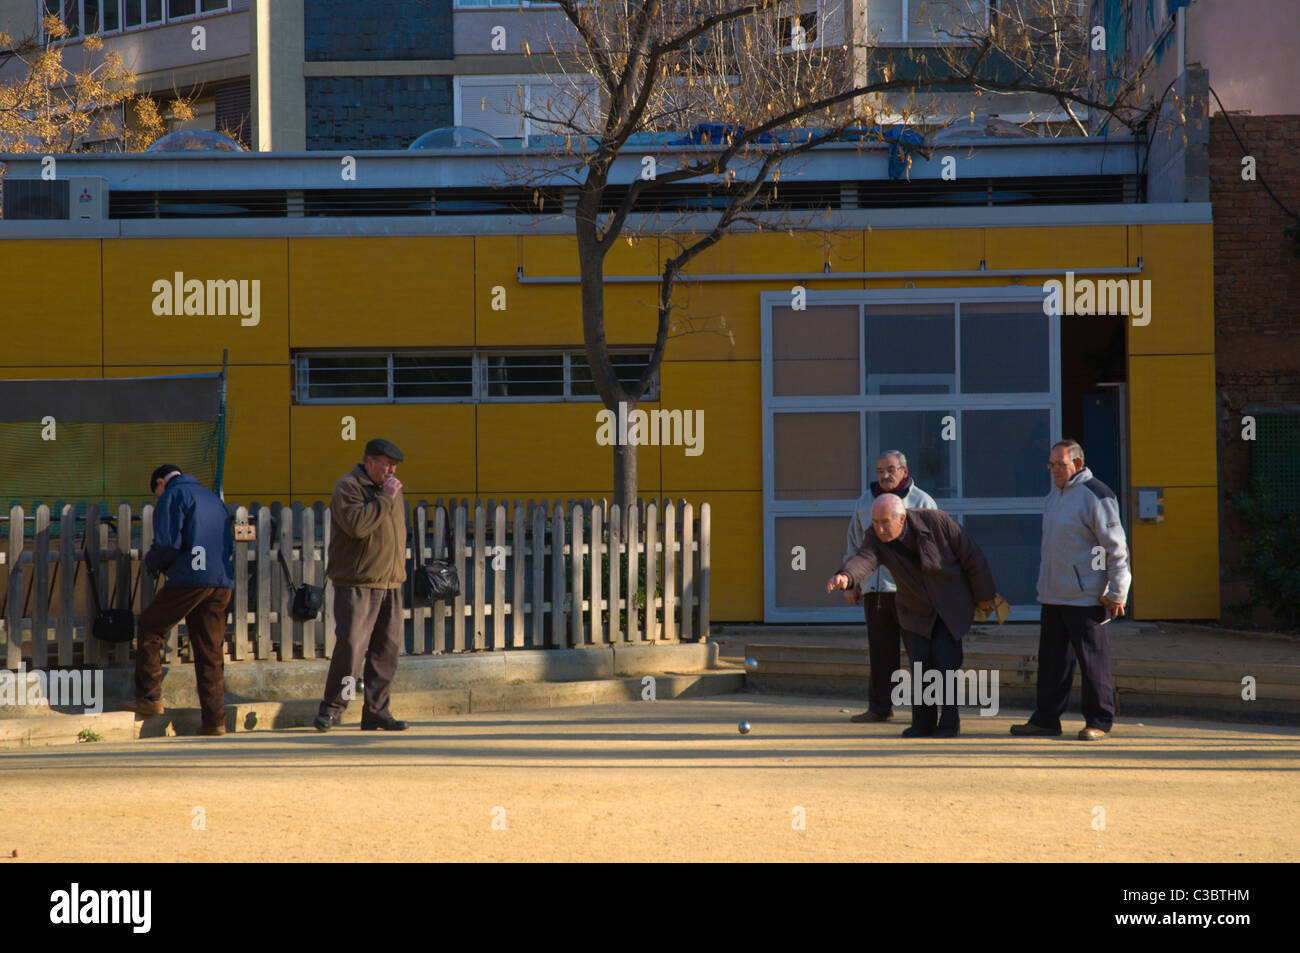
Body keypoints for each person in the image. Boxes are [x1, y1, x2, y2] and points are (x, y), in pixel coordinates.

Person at [828, 496, 996, 737]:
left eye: (885, 522)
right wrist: (846, 576)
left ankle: (949, 723)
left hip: (949, 606)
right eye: (875, 522)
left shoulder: (936, 521)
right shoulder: (875, 537)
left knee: (945, 662)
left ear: (902, 518)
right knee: (921, 664)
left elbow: (972, 556)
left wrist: (985, 595)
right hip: (914, 609)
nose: (880, 528)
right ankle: (923, 724)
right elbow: (863, 559)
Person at [1011, 439, 1130, 741]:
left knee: (1093, 664)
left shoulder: (1097, 495)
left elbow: (1115, 548)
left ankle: (1099, 721)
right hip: (1053, 596)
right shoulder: (1054, 496)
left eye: (1059, 465)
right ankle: (1046, 720)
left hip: (1087, 597)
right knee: (1052, 664)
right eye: (1050, 465)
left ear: (1077, 464)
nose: (1054, 471)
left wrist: (1118, 592)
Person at [118, 465, 234, 737]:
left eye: (156, 492)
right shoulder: (212, 498)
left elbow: (169, 542)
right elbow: (227, 543)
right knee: (210, 649)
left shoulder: (174, 495)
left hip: (191, 578)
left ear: (161, 482)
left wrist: (153, 560)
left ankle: (149, 697)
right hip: (221, 580)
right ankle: (214, 721)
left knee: (150, 626)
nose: (158, 496)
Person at [314, 439, 409, 732]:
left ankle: (377, 711)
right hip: (357, 582)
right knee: (352, 649)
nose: (391, 470)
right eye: (386, 464)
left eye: (394, 466)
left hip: (390, 581)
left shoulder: (389, 489)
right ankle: (333, 709)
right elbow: (357, 527)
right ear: (369, 462)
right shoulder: (349, 487)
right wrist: (384, 499)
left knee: (387, 651)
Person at [842, 450, 937, 723]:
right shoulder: (864, 502)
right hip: (876, 592)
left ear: (904, 472)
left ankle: (926, 711)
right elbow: (854, 544)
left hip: (913, 593)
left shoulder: (922, 502)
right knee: (880, 653)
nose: (885, 475)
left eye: (891, 470)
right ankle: (880, 708)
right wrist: (851, 582)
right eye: (880, 470)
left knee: (920, 653)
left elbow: (936, 549)